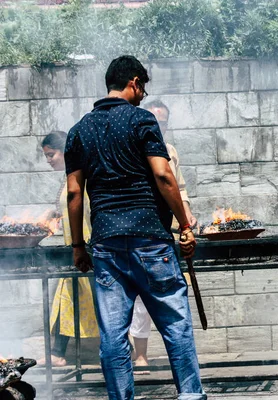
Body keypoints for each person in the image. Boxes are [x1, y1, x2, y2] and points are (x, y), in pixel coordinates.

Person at [64, 55, 206, 400]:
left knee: (113, 336)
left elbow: (73, 192)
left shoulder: (79, 130)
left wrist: (78, 246)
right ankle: (190, 395)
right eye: (143, 88)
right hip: (150, 242)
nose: (143, 95)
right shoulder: (142, 120)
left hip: (107, 245)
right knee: (176, 326)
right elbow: (162, 174)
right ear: (134, 82)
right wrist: (185, 225)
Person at [129, 99, 197, 370]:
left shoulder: (170, 150)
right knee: (139, 300)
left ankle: (180, 359)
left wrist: (187, 216)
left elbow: (179, 188)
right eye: (155, 121)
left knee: (169, 294)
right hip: (143, 229)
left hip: (166, 230)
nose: (160, 127)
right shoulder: (133, 147)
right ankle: (140, 354)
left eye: (164, 122)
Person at [40, 131, 99, 367]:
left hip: (87, 249)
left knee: (101, 301)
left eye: (51, 154)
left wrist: (84, 246)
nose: (49, 160)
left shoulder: (80, 177)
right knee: (66, 299)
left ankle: (123, 349)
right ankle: (58, 352)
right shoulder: (69, 178)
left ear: (64, 152)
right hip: (76, 249)